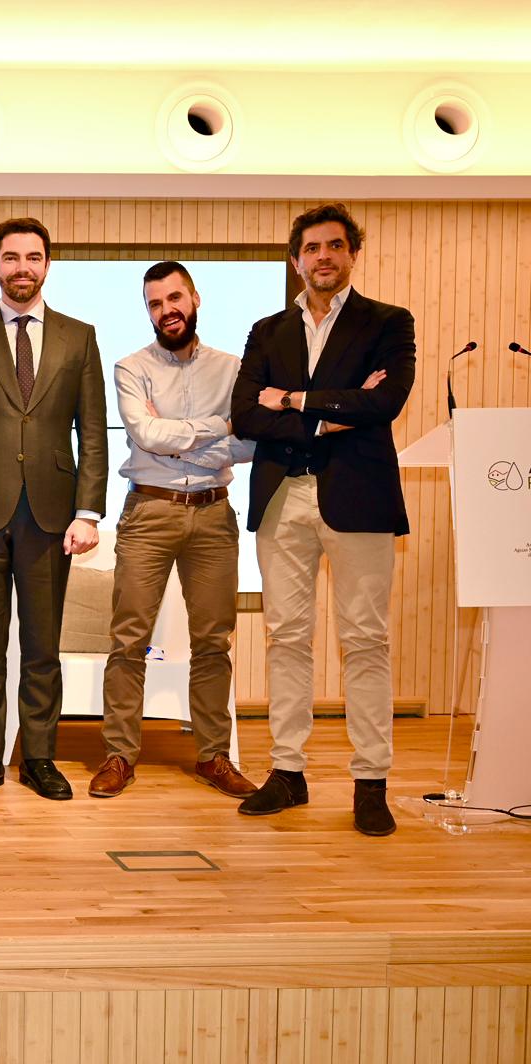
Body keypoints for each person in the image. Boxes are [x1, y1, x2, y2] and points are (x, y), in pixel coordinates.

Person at [231, 203, 415, 837]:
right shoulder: (266, 331)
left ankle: (371, 782)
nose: (324, 257)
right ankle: (287, 772)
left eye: (336, 246)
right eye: (312, 248)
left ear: (352, 254)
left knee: (365, 640)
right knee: (286, 638)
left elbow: (385, 401)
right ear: (296, 259)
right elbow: (246, 416)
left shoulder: (388, 323)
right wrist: (336, 411)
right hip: (283, 497)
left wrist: (294, 399)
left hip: (357, 497)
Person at [0, 217, 109, 802]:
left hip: (51, 515)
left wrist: (88, 511)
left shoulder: (79, 336)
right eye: (10, 258)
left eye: (33, 257)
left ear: (47, 265)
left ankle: (38, 756)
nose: (22, 268)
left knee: (42, 645)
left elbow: (92, 431)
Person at [89, 261, 257, 800]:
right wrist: (218, 427)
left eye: (175, 298)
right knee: (128, 640)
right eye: (156, 304)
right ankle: (119, 756)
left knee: (213, 642)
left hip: (213, 514)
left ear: (196, 298)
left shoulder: (234, 369)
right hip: (150, 513)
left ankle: (213, 757)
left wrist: (180, 435)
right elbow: (146, 433)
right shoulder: (130, 367)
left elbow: (252, 444)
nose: (168, 311)